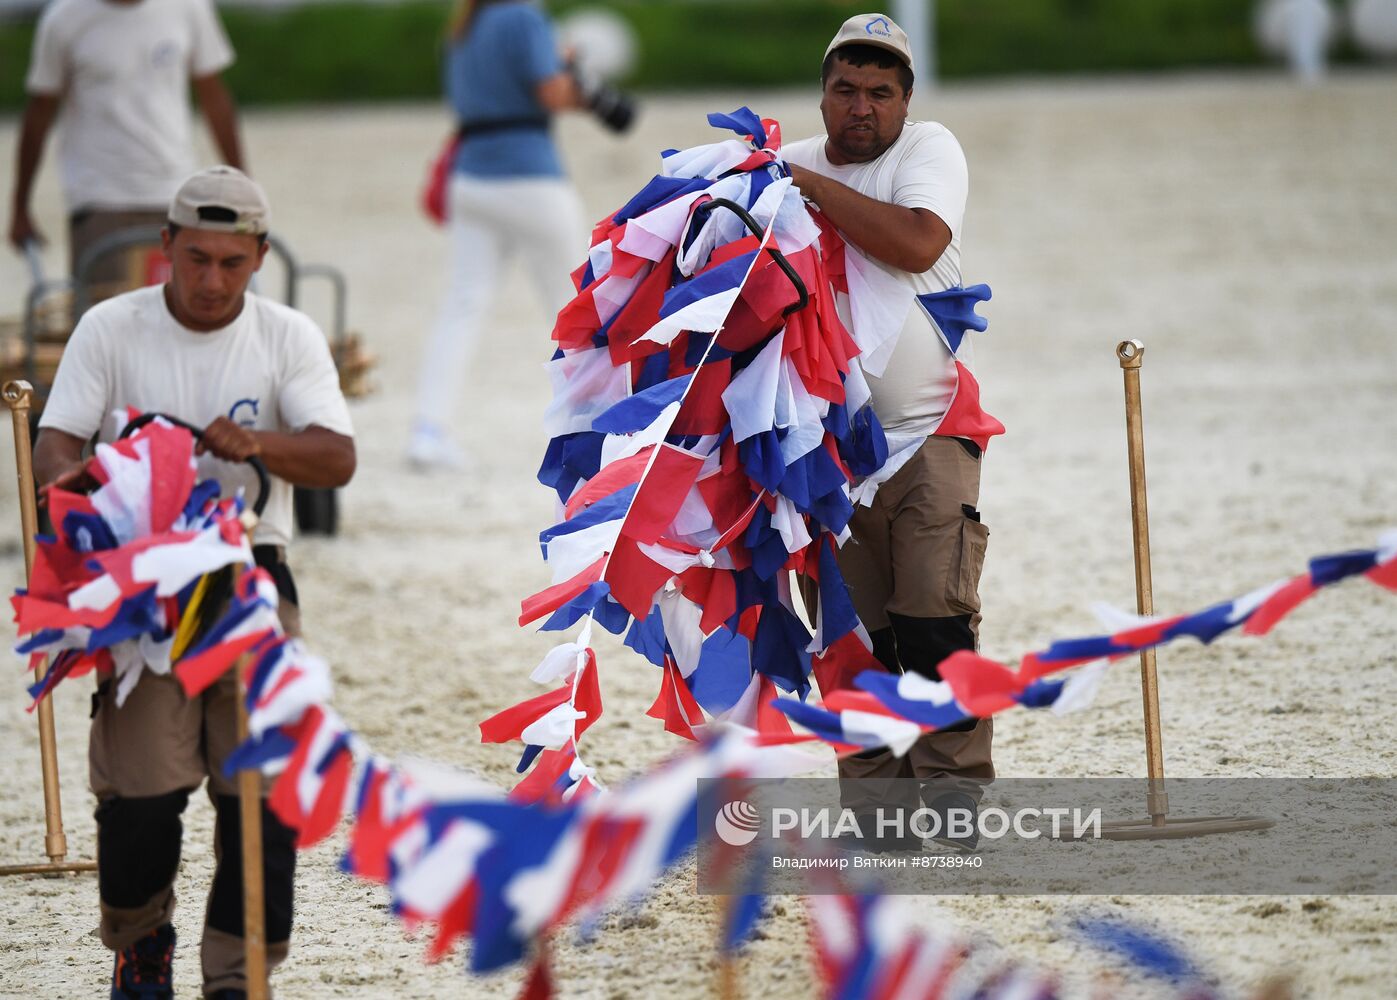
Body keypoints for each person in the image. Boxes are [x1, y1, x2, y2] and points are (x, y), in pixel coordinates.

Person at [32, 166, 355, 1000]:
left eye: (232, 263)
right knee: (139, 793)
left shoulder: (288, 335)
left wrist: (259, 446)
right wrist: (74, 478)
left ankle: (238, 973)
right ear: (164, 248)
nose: (212, 282)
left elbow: (337, 456)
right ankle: (141, 948)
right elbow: (54, 443)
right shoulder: (109, 328)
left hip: (249, 573)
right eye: (196, 259)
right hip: (136, 583)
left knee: (263, 793)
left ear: (258, 258)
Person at [784, 13, 995, 851]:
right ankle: (878, 823)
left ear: (906, 102)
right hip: (822, 450)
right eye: (845, 89)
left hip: (932, 426)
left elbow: (915, 244)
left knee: (933, 617)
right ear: (823, 95)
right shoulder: (784, 166)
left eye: (880, 92)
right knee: (851, 638)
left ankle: (954, 808)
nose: (861, 107)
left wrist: (799, 187)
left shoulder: (927, 150)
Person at [407, 0, 589, 471]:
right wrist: (581, 87)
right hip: (530, 177)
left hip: (470, 179)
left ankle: (428, 430)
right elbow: (551, 93)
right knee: (578, 306)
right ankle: (593, 428)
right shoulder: (523, 16)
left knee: (463, 303)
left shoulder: (464, 24)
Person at [7, 0, 245, 297]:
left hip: (174, 194)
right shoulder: (64, 18)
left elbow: (214, 98)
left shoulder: (189, 7)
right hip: (99, 199)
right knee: (105, 320)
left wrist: (241, 185)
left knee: (181, 316)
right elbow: (39, 112)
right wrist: (20, 208)